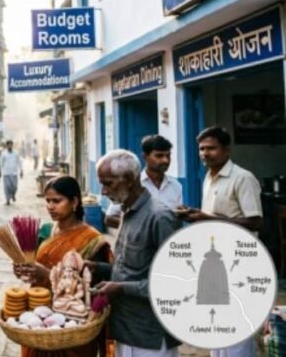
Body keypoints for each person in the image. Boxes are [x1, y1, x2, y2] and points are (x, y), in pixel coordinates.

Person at [179, 126, 262, 357]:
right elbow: (215, 218)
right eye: (202, 149)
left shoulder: (243, 178)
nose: (205, 153)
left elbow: (255, 222)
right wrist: (195, 214)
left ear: (226, 150)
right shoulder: (209, 177)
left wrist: (208, 218)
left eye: (211, 148)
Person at [93, 150, 181, 357]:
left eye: (108, 183)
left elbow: (172, 283)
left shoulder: (160, 218)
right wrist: (98, 268)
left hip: (150, 336)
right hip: (127, 329)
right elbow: (130, 269)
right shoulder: (127, 211)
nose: (103, 191)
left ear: (130, 180)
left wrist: (121, 289)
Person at [14, 175, 112, 357]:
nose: (50, 206)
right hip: (39, 312)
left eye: (57, 201)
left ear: (74, 201)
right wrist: (24, 271)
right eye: (48, 201)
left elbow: (96, 289)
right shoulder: (45, 231)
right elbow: (34, 268)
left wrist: (47, 274)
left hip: (73, 320)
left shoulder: (92, 240)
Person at [105, 134, 182, 229]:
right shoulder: (131, 185)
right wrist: (139, 227)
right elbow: (109, 219)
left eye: (168, 155)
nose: (165, 160)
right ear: (145, 157)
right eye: (159, 156)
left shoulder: (175, 185)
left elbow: (178, 219)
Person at [0, 140, 22, 205]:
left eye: (11, 145)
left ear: (12, 145)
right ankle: (7, 200)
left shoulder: (16, 153)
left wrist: (21, 170)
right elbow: (1, 163)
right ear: (6, 146)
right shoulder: (3, 153)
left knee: (14, 186)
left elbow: (19, 162)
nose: (10, 146)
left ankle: (13, 195)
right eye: (8, 145)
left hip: (14, 173)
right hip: (6, 173)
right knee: (7, 187)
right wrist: (0, 172)